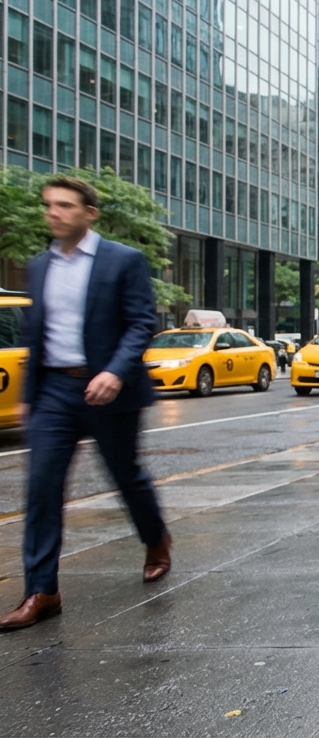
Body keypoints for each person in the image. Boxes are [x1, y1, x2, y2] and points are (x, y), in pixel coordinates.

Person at [0, 177, 170, 632]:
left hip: (109, 388)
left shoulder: (123, 260)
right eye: (49, 205)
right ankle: (42, 590)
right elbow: (37, 335)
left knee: (125, 475)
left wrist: (114, 371)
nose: (54, 213)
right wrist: (29, 398)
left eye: (65, 206)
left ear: (89, 212)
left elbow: (140, 323)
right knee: (41, 487)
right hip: (56, 389)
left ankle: (156, 540)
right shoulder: (38, 266)